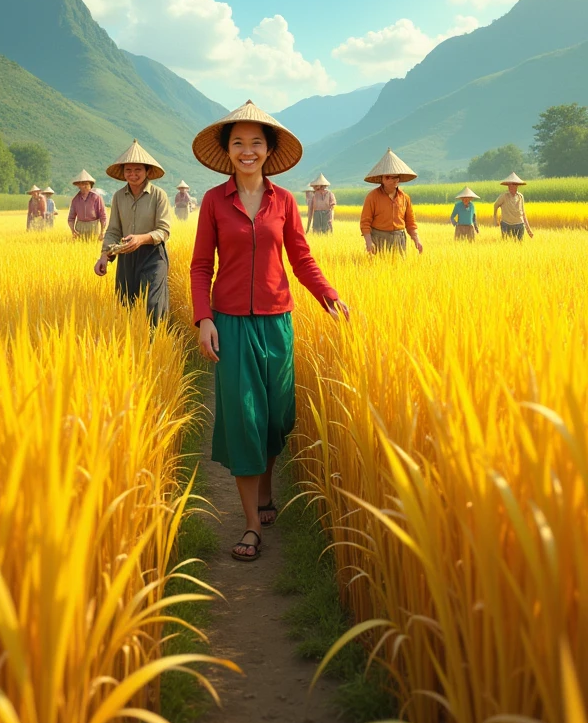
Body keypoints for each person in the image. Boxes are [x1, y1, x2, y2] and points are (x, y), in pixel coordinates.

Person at [190, 100, 349, 562]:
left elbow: (300, 257)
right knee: (245, 419)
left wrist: (328, 295)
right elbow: (200, 265)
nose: (247, 150)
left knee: (277, 417)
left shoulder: (284, 202)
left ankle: (265, 488)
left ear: (269, 150)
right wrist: (204, 318)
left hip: (278, 320)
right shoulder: (214, 201)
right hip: (231, 323)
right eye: (238, 142)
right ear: (227, 150)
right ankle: (251, 524)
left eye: (256, 142)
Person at [94, 140, 171, 320]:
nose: (133, 174)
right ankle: (132, 337)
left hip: (153, 255)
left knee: (153, 304)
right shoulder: (118, 197)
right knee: (126, 304)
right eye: (128, 170)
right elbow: (113, 230)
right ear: (123, 172)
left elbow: (164, 230)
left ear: (147, 171)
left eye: (138, 170)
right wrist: (104, 256)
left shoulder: (158, 195)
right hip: (126, 255)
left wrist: (141, 239)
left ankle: (157, 337)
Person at [360, 148, 423, 255]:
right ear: (382, 179)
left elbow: (410, 222)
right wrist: (369, 242)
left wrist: (417, 240)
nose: (393, 180)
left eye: (395, 177)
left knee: (399, 265)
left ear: (398, 179)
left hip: (399, 239)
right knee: (380, 264)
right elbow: (365, 222)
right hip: (379, 238)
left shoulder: (405, 198)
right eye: (388, 177)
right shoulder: (372, 197)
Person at [68, 170, 107, 241]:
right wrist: (73, 230)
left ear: (90, 185)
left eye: (87, 184)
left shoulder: (96, 197)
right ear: (79, 186)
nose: (85, 186)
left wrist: (102, 232)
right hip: (80, 227)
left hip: (93, 226)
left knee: (93, 244)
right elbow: (71, 218)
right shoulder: (75, 200)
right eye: (82, 184)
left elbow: (103, 216)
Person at [493, 173, 534, 241]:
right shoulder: (504, 196)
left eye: (513, 185)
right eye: (509, 185)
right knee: (506, 243)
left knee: (519, 243)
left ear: (517, 186)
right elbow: (495, 205)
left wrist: (529, 230)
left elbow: (523, 213)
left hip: (519, 224)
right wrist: (495, 219)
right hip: (506, 224)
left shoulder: (520, 197)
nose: (510, 186)